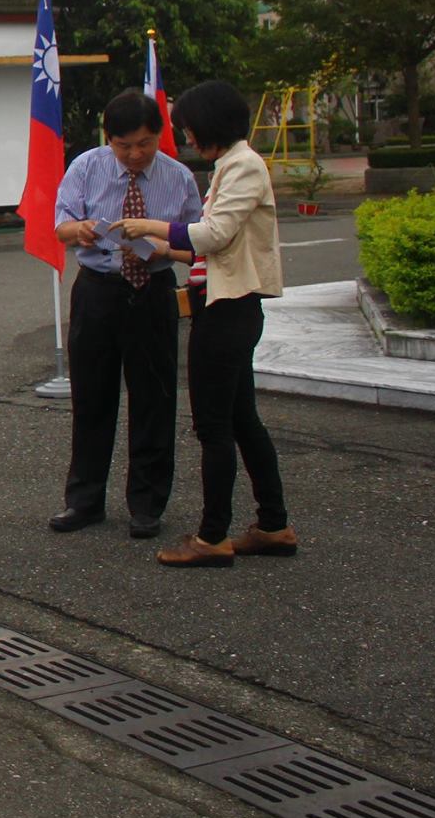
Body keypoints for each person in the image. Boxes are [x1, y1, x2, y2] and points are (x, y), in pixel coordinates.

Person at [113, 79, 295, 568]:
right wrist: (158, 246)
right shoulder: (229, 166)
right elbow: (205, 246)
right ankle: (273, 524)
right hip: (224, 302)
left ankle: (213, 536)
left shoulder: (243, 166)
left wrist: (148, 225)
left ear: (211, 123)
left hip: (227, 310)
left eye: (191, 128)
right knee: (241, 421)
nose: (189, 138)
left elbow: (212, 235)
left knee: (214, 427)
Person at [47, 89, 204, 539]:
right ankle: (84, 501)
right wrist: (84, 231)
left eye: (145, 143)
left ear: (159, 136)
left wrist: (164, 247)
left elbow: (196, 240)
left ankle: (147, 504)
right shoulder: (86, 167)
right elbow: (61, 227)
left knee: (154, 399)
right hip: (98, 292)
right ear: (108, 139)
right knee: (92, 399)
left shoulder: (178, 178)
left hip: (152, 291)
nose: (135, 155)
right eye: (124, 145)